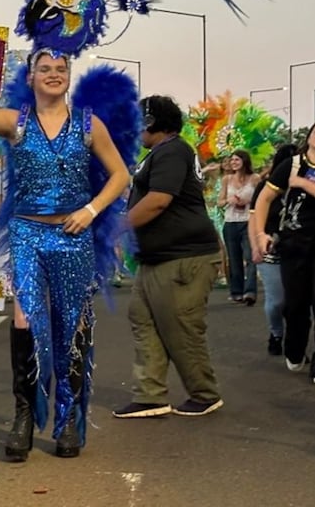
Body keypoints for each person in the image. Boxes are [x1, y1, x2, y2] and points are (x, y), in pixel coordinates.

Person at [0, 41, 131, 460]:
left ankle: (68, 418)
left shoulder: (89, 125)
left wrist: (91, 210)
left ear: (69, 76)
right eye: (45, 67)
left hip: (73, 235)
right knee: (25, 320)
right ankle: (24, 415)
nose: (54, 73)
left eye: (61, 67)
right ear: (30, 78)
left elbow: (120, 174)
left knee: (71, 325)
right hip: (28, 233)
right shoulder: (16, 122)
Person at [113, 95, 224, 420]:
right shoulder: (161, 153)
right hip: (157, 258)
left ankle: (204, 393)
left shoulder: (173, 151)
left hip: (183, 258)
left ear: (150, 122)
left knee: (181, 327)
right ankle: (150, 395)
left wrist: (115, 228)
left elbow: (159, 200)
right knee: (143, 318)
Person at [251, 120, 315, 382]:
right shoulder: (291, 165)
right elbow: (264, 200)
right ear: (309, 136)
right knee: (295, 304)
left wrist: (303, 184)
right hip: (294, 243)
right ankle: (295, 351)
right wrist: (259, 235)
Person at [248, 144, 297, 356]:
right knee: (277, 301)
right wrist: (255, 246)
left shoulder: (307, 185)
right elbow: (253, 218)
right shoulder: (265, 188)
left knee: (297, 301)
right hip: (270, 249)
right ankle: (276, 333)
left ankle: (296, 343)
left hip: (299, 249)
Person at [218, 150, 260, 304]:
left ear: (244, 161)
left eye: (237, 159)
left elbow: (261, 198)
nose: (234, 162)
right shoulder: (226, 179)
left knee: (250, 257)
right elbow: (219, 202)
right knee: (234, 258)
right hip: (230, 222)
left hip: (249, 221)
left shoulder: (255, 178)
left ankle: (250, 291)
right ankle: (237, 291)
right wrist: (229, 200)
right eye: (232, 160)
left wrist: (247, 201)